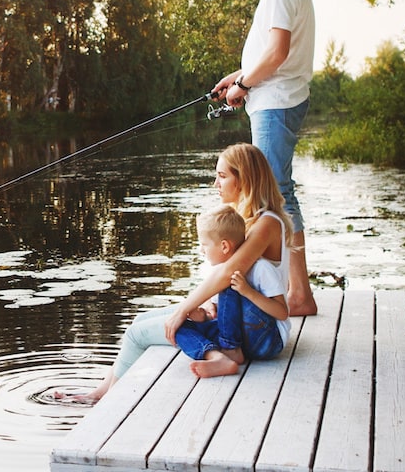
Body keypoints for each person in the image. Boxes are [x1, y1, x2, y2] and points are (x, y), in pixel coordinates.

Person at [57, 143, 294, 404]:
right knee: (140, 321)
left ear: (244, 179)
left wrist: (184, 309)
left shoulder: (266, 222)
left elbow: (228, 273)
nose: (216, 182)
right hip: (245, 324)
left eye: (223, 176)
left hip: (265, 331)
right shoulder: (240, 218)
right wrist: (202, 307)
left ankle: (106, 401)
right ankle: (100, 393)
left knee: (143, 333)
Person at [213, 0, 318, 317]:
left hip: (276, 99)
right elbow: (270, 55)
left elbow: (278, 54)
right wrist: (238, 77)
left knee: (274, 194)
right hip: (275, 95)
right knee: (278, 192)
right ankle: (297, 291)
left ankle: (298, 294)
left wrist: (246, 85)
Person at [174, 204, 290, 378]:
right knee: (177, 326)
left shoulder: (260, 269)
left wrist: (248, 292)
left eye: (204, 244)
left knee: (229, 282)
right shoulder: (218, 274)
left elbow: (282, 313)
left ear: (224, 246)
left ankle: (230, 350)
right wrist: (203, 317)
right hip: (239, 341)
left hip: (268, 341)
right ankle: (215, 356)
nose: (201, 250)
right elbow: (223, 317)